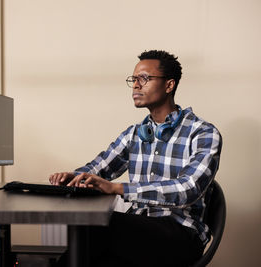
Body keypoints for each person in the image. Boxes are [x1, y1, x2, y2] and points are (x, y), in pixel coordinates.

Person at [49, 50, 222, 267]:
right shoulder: (135, 133)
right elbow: (98, 168)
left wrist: (118, 188)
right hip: (138, 231)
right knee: (92, 251)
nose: (136, 86)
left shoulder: (203, 133)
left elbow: (188, 189)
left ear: (169, 85)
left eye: (144, 79)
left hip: (181, 235)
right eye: (134, 79)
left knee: (101, 226)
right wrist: (74, 178)